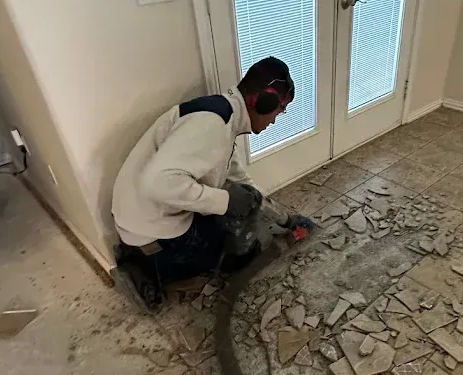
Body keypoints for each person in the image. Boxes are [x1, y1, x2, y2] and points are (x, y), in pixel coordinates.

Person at [111, 56, 313, 309]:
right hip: (150, 223)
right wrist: (225, 201)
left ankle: (144, 252)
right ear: (262, 100)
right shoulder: (213, 126)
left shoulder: (222, 117)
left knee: (232, 214)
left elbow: (243, 183)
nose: (275, 120)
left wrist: (285, 219)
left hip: (141, 212)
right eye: (279, 110)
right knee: (235, 258)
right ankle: (145, 269)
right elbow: (156, 182)